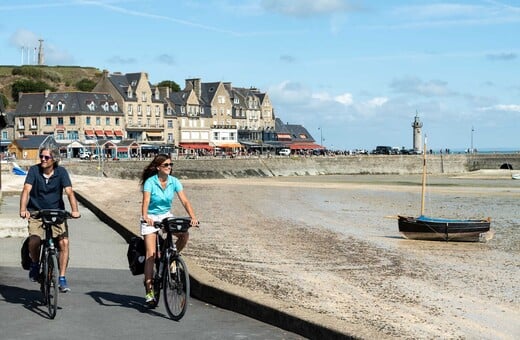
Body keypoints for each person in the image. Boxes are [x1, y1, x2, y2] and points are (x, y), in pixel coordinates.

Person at [19, 146, 80, 292]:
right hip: (36, 212)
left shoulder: (61, 172)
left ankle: (62, 278)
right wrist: (23, 209)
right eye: (41, 156)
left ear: (54, 160)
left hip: (56, 213)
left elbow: (70, 192)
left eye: (46, 157)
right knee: (34, 239)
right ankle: (34, 263)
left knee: (64, 242)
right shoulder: (34, 170)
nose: (43, 159)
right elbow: (26, 189)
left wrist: (75, 211)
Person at [140, 154, 198, 305]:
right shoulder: (150, 182)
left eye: (171, 165)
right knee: (150, 255)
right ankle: (149, 290)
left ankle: (172, 258)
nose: (169, 167)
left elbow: (185, 200)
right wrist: (145, 216)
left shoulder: (174, 182)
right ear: (158, 167)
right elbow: (146, 201)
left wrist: (193, 217)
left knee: (184, 234)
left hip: (166, 215)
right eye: (166, 165)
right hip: (151, 217)